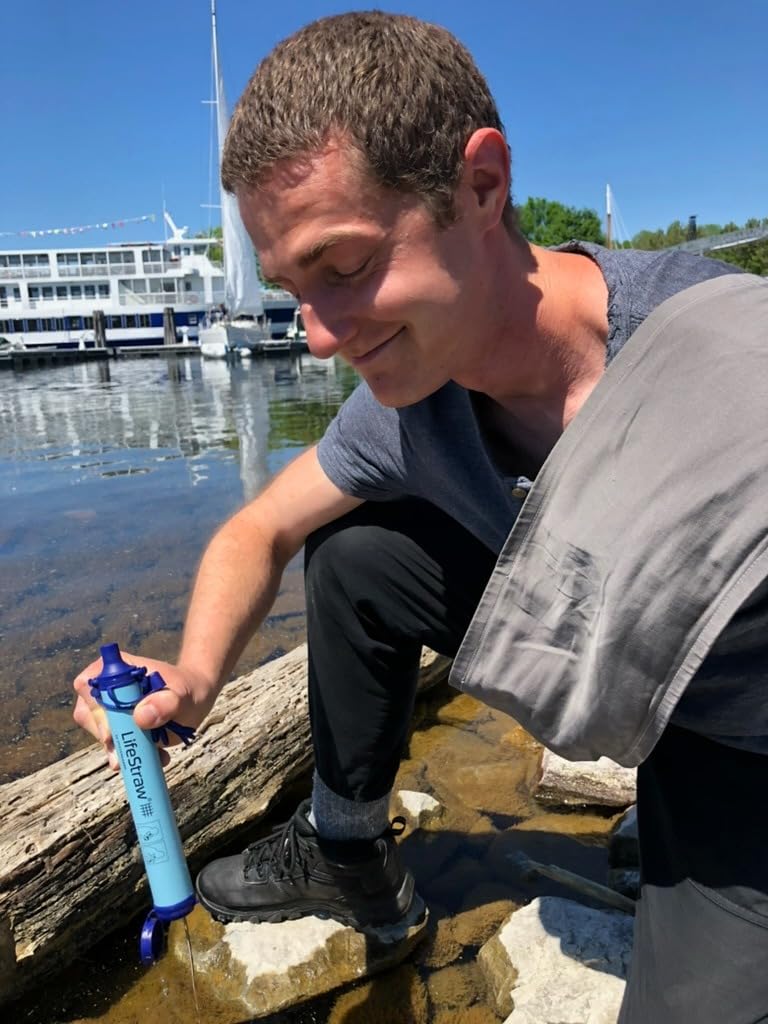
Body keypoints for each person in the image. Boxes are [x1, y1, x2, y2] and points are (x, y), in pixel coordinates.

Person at [73, 12, 768, 1021]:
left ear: (481, 186)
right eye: (290, 289)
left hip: (731, 736)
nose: (315, 339)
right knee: (355, 551)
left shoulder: (729, 367)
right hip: (612, 650)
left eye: (343, 268)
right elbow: (256, 527)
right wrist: (192, 676)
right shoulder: (415, 404)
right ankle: (345, 846)